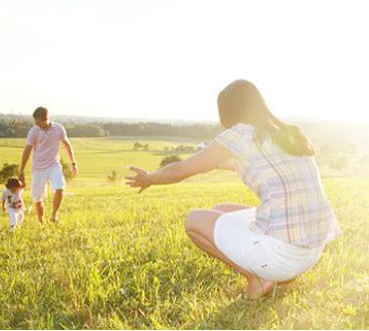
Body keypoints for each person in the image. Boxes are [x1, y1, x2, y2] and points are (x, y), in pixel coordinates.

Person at [125, 79, 341, 300]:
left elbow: (180, 170)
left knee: (194, 221)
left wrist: (150, 178)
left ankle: (256, 277)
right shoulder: (286, 133)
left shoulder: (240, 133)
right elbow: (242, 163)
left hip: (282, 256)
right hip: (311, 251)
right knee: (221, 210)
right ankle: (278, 274)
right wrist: (211, 162)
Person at [19, 106, 78, 224]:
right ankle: (41, 222)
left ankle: (54, 215)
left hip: (54, 165)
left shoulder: (58, 129)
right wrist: (21, 169)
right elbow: (27, 150)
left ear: (45, 118)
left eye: (38, 121)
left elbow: (67, 145)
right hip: (38, 169)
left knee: (60, 189)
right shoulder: (34, 131)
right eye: (35, 121)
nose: (36, 123)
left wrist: (73, 162)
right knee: (37, 199)